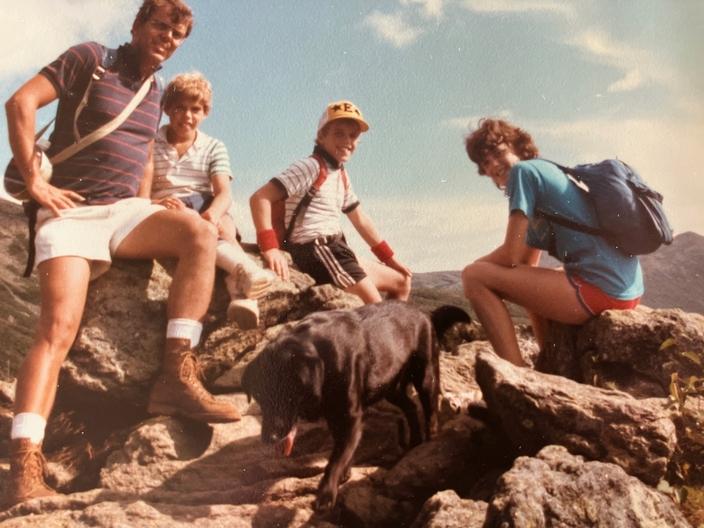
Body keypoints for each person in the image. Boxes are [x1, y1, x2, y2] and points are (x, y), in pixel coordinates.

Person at [3, 0, 239, 509]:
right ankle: (24, 465)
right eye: (160, 26)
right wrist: (34, 184)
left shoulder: (155, 91)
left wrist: (152, 202)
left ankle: (176, 375)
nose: (168, 38)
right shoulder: (91, 58)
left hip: (124, 212)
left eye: (177, 34)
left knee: (198, 234)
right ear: (136, 26)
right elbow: (19, 103)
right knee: (57, 330)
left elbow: (139, 160)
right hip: (69, 213)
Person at [461, 118, 643, 367]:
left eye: (498, 152)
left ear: (518, 147)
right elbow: (524, 263)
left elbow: (510, 256)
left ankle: (516, 371)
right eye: (484, 162)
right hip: (626, 290)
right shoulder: (544, 173)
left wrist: (474, 270)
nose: (492, 164)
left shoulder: (523, 173)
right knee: (525, 278)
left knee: (474, 276)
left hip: (602, 291)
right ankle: (551, 363)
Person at [250, 100, 412, 304]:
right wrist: (270, 247)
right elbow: (260, 198)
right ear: (321, 136)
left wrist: (390, 259)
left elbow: (360, 218)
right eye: (338, 133)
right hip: (317, 250)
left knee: (403, 281)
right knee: (376, 308)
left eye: (353, 135)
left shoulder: (340, 173)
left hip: (338, 250)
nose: (347, 140)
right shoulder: (310, 166)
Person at [148, 72, 274, 329]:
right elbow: (141, 187)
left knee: (225, 225)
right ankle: (244, 277)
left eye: (195, 109)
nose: (187, 116)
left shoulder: (213, 146)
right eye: (180, 108)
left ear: (205, 113)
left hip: (203, 204)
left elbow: (223, 193)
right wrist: (156, 202)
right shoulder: (151, 142)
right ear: (167, 109)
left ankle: (242, 294)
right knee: (198, 225)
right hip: (168, 205)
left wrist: (212, 215)